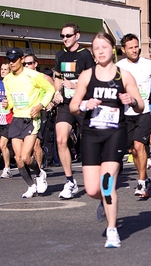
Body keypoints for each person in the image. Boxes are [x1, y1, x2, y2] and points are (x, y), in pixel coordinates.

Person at [70, 32, 144, 248]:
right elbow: (74, 105)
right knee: (93, 190)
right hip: (91, 134)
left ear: (112, 49)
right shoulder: (86, 75)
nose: (100, 51)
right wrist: (85, 105)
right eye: (96, 48)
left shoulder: (124, 76)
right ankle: (104, 202)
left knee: (106, 182)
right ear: (93, 53)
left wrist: (130, 100)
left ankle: (112, 230)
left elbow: (139, 105)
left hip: (115, 133)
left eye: (104, 46)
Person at [2, 47, 54, 197]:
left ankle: (40, 174)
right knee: (18, 159)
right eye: (9, 60)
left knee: (26, 156)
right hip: (17, 118)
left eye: (14, 59)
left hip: (31, 118)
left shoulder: (33, 75)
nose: (11, 63)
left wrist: (40, 106)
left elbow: (49, 90)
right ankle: (31, 186)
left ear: (22, 59)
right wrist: (8, 104)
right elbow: (12, 101)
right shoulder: (8, 79)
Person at [116, 33, 151, 198]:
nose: (135, 50)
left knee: (138, 145)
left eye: (136, 47)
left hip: (146, 110)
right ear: (123, 49)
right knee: (133, 150)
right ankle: (146, 179)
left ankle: (142, 182)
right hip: (127, 112)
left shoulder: (149, 64)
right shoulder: (118, 66)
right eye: (131, 48)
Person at [53, 22, 96, 199]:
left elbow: (93, 78)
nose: (65, 39)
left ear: (77, 36)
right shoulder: (60, 55)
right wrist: (57, 92)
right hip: (65, 104)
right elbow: (57, 76)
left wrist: (76, 84)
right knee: (61, 139)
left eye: (68, 36)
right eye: (62, 36)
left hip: (83, 103)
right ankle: (70, 181)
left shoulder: (85, 54)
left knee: (90, 142)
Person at [23, 53, 55, 170]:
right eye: (24, 64)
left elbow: (54, 91)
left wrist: (50, 103)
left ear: (35, 64)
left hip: (42, 112)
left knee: (37, 143)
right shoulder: (22, 79)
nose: (26, 65)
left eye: (29, 63)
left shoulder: (44, 77)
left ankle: (40, 170)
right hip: (26, 113)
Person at [0, 61, 13, 178]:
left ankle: (7, 168)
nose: (3, 71)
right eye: (2, 69)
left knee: (3, 144)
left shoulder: (13, 84)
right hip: (0, 117)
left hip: (9, 119)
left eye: (5, 69)